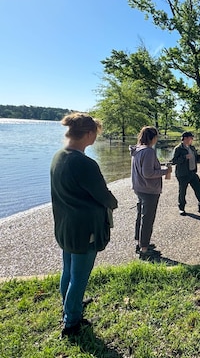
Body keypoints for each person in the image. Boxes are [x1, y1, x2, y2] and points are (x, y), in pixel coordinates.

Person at [50, 112, 118, 337]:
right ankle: (71, 323)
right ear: (88, 134)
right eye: (95, 134)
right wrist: (113, 203)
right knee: (79, 276)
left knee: (68, 270)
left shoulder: (58, 156)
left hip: (65, 226)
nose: (95, 138)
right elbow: (103, 195)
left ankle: (69, 304)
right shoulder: (84, 163)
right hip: (84, 229)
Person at [130, 126, 171, 261]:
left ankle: (140, 243)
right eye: (156, 137)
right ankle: (144, 250)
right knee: (147, 219)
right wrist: (165, 171)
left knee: (141, 217)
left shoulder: (137, 150)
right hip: (149, 190)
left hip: (139, 188)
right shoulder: (148, 152)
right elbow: (148, 173)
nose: (157, 139)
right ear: (152, 137)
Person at [171, 131, 200, 215]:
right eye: (191, 138)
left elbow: (196, 159)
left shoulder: (192, 148)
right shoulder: (178, 149)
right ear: (185, 138)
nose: (192, 139)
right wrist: (184, 157)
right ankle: (181, 208)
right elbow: (174, 161)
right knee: (182, 191)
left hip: (192, 173)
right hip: (182, 174)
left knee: (199, 188)